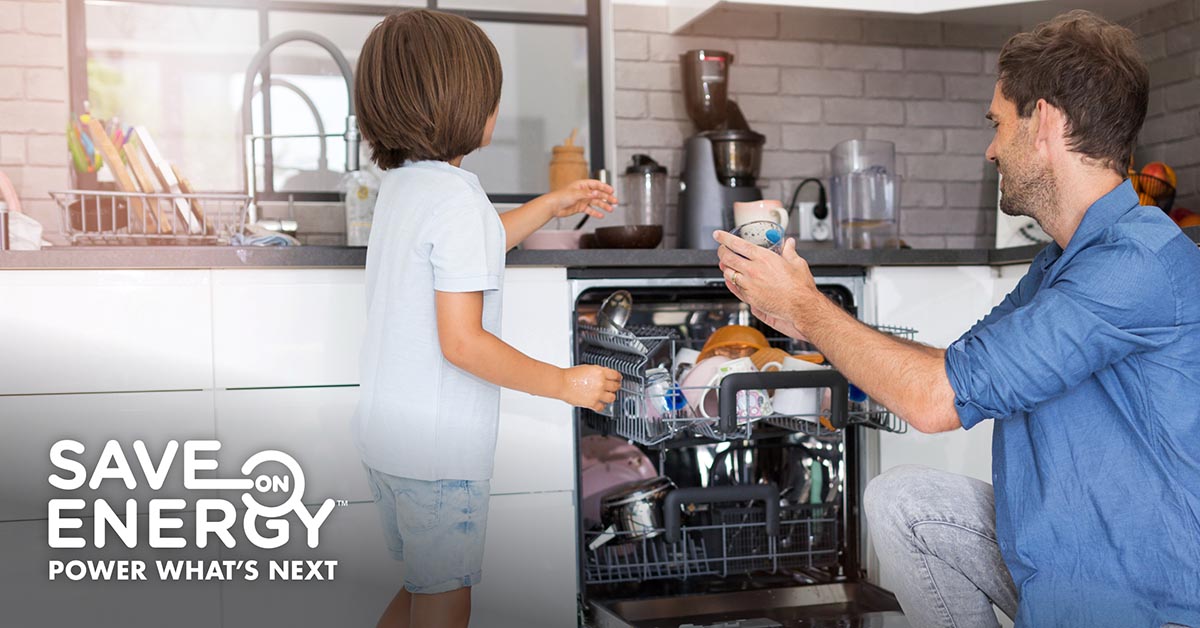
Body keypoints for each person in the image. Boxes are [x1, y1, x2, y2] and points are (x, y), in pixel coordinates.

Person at [713, 10, 1200, 628]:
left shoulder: (1135, 265)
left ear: (1045, 122)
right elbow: (954, 368)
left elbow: (936, 399)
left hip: (1143, 604)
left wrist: (807, 310)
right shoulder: (1063, 262)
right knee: (905, 501)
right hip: (1066, 565)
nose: (991, 148)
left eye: (998, 123)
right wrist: (805, 313)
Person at [350, 10, 622, 628]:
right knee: (445, 601)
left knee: (422, 589)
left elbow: (472, 246)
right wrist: (563, 382)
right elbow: (463, 343)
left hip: (390, 444)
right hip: (439, 455)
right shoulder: (456, 197)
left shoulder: (405, 188)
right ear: (464, 105)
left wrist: (551, 205)